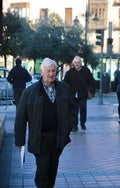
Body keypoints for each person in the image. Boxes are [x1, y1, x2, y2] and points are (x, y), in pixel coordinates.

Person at [14, 58, 75, 188]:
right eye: (48, 71)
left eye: (53, 71)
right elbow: (20, 118)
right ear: (42, 72)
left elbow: (73, 108)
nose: (51, 74)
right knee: (42, 170)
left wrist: (69, 126)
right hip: (39, 138)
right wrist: (19, 141)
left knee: (52, 169)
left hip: (58, 138)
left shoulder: (64, 89)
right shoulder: (29, 93)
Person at [63, 56, 96, 131]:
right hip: (73, 95)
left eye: (79, 62)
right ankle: (74, 125)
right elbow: (65, 83)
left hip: (83, 94)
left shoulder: (86, 71)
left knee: (83, 108)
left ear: (81, 63)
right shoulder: (70, 72)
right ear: (73, 63)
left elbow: (92, 81)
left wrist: (92, 92)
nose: (77, 64)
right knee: (74, 110)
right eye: (76, 63)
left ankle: (83, 123)